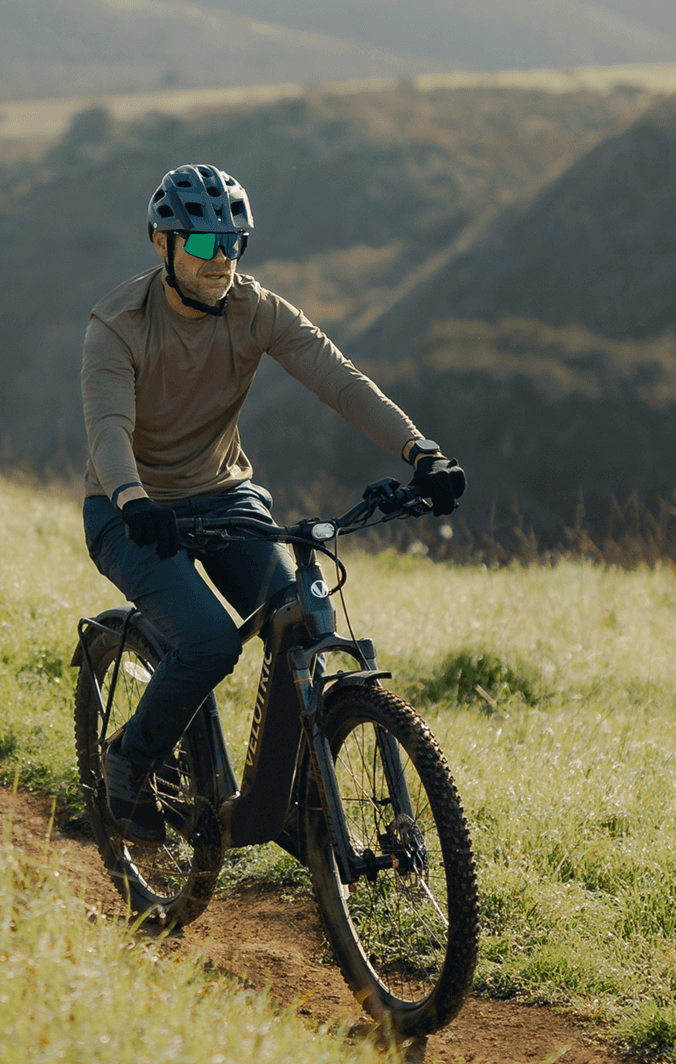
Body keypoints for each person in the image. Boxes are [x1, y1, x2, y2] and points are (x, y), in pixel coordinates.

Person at [80, 163, 464, 843]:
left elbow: (340, 379)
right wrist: (133, 496)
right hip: (131, 513)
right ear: (162, 245)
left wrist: (419, 451)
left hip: (226, 497)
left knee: (299, 620)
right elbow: (108, 429)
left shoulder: (256, 309)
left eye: (234, 242)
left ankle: (286, 802)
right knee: (205, 643)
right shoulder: (117, 325)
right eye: (202, 243)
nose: (221, 257)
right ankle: (128, 758)